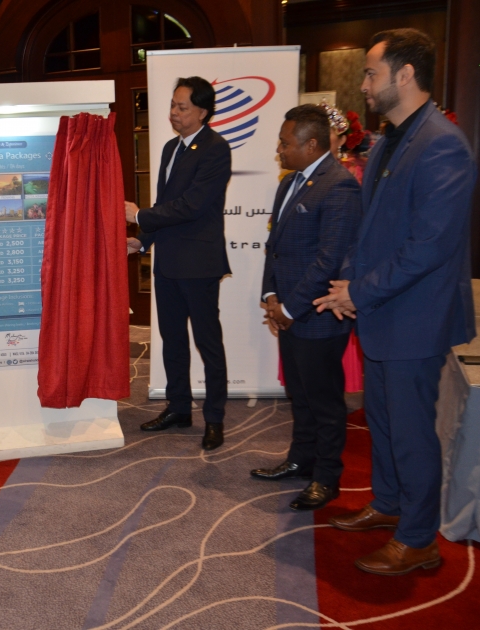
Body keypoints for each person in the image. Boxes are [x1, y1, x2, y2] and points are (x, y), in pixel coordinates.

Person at [314, 29, 477, 575]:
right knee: (382, 423)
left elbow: (430, 246)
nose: (363, 85)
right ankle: (388, 504)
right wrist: (348, 282)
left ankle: (418, 538)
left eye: (371, 73)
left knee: (410, 433)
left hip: (416, 318)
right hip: (381, 311)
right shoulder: (386, 141)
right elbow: (368, 233)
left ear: (405, 75)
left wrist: (360, 290)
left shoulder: (443, 143)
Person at [252, 105, 361, 512]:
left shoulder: (340, 185)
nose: (279, 150)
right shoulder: (289, 182)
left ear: (311, 144)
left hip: (317, 317)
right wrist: (270, 296)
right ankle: (300, 460)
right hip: (289, 311)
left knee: (324, 401)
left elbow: (329, 260)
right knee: (299, 394)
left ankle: (326, 477)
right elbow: (275, 248)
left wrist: (291, 309)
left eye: (285, 143)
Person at [124, 76, 231, 451]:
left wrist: (140, 215)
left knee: (208, 344)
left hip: (199, 264)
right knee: (172, 341)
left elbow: (193, 206)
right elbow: (167, 204)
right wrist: (143, 240)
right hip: (168, 261)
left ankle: (214, 419)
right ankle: (179, 407)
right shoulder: (171, 148)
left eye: (182, 107)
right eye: (172, 105)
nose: (173, 112)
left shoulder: (216, 148)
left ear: (202, 111)